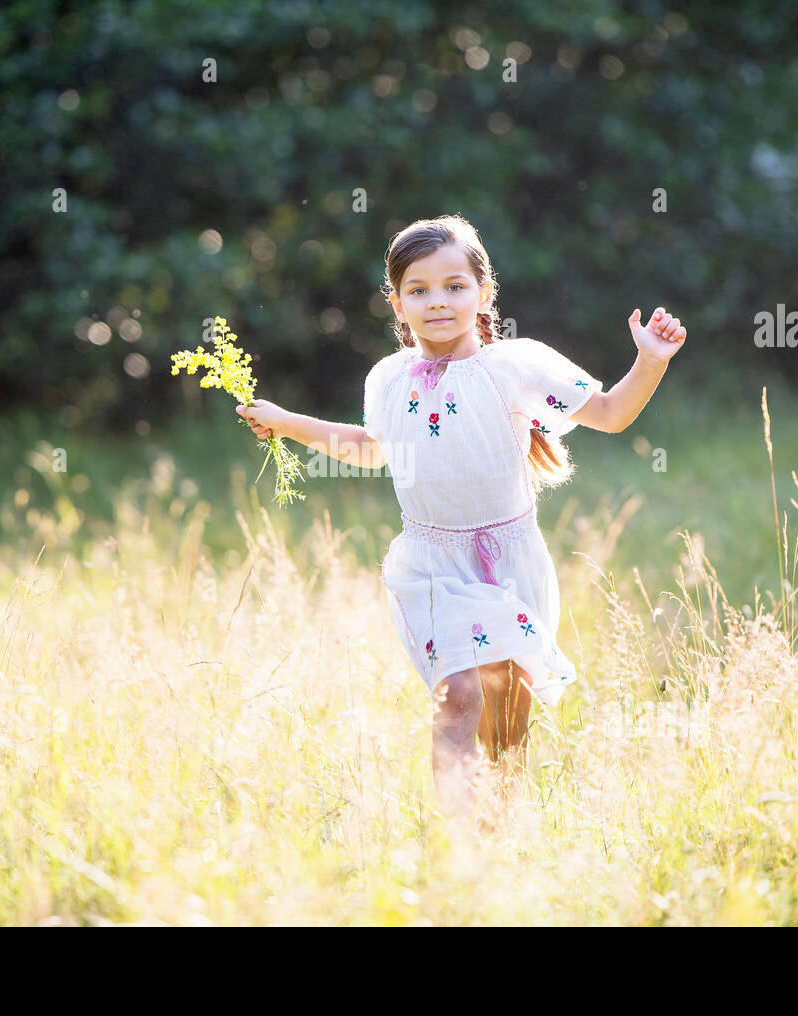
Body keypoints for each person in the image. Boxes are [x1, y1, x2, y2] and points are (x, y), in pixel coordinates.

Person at [235, 214, 686, 822]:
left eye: (454, 285)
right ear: (395, 302)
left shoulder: (515, 365)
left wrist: (650, 361)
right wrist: (288, 422)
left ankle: (499, 846)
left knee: (506, 730)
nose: (437, 301)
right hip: (430, 567)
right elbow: (372, 448)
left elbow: (609, 413)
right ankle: (457, 848)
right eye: (417, 289)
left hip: (509, 561)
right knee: (459, 697)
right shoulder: (388, 377)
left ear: (484, 293)